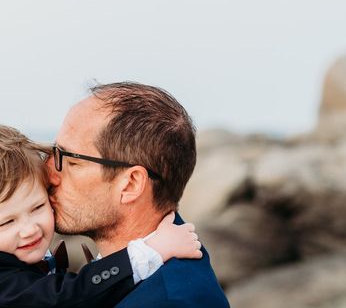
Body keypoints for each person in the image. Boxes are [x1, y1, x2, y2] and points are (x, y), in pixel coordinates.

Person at [0, 123, 203, 308]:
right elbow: (70, 297)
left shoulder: (13, 254)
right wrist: (152, 251)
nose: (29, 229)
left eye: (38, 208)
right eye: (6, 222)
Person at [48, 82, 230, 307]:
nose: (49, 174)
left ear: (131, 184)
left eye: (71, 161)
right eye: (53, 152)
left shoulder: (171, 301)